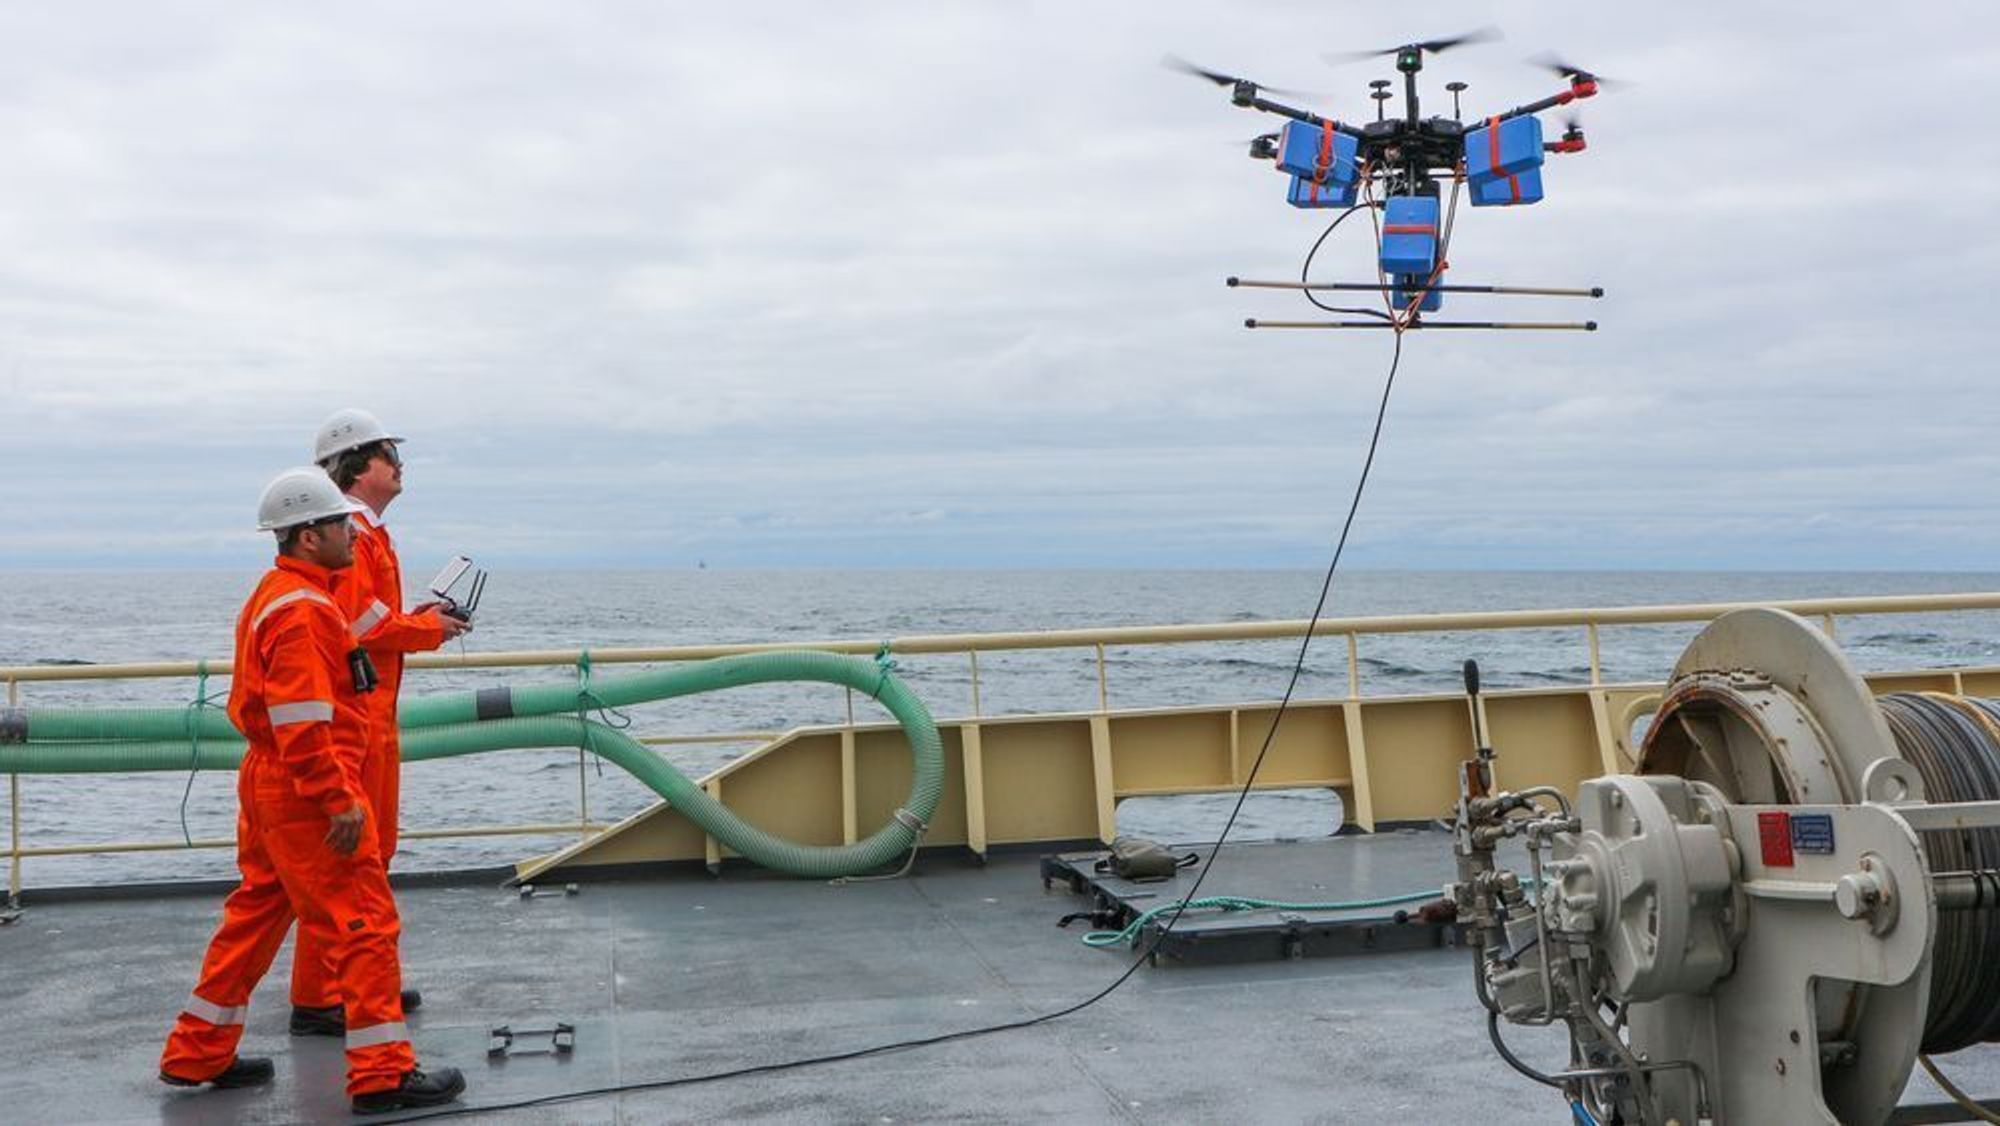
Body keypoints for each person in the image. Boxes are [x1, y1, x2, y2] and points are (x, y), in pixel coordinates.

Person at [159, 467, 465, 1113]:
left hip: (271, 787)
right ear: (306, 537)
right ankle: (383, 1074)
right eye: (338, 525)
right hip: (307, 791)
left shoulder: (281, 595)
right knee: (366, 923)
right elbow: (302, 724)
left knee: (256, 916)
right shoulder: (302, 613)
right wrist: (339, 799)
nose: (351, 533)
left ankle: (197, 1052)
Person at [287, 408, 471, 1037]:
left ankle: (344, 986)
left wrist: (416, 618)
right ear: (359, 467)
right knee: (351, 862)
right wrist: (428, 627)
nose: (399, 467)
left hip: (372, 720)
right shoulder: (351, 537)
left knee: (368, 856)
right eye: (390, 455)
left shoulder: (363, 535)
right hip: (355, 723)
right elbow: (359, 624)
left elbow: (367, 618)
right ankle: (328, 996)